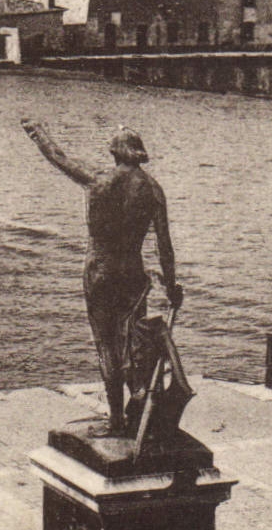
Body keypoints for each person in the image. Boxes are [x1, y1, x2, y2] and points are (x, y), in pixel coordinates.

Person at [23, 120, 182, 435]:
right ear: (139, 155)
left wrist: (38, 133)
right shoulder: (153, 190)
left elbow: (59, 157)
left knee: (106, 344)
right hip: (133, 275)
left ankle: (116, 420)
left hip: (100, 271)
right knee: (131, 344)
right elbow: (165, 247)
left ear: (114, 153)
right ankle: (137, 407)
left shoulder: (98, 180)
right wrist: (171, 284)